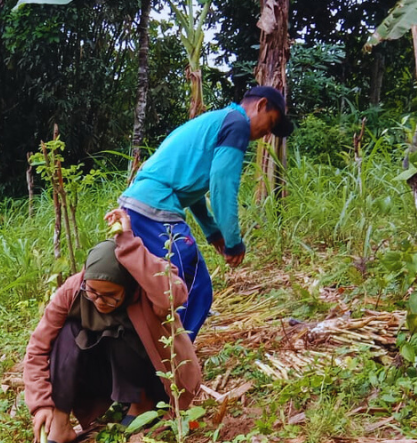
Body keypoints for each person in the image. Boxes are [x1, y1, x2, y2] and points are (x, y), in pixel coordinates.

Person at [24, 210, 203, 443]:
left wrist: (129, 244)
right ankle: (60, 424)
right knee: (66, 333)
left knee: (121, 331)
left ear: (128, 287)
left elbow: (173, 296)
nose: (99, 301)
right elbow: (38, 348)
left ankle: (141, 406)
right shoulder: (75, 290)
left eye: (110, 296)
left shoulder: (147, 289)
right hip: (106, 374)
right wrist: (41, 404)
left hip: (153, 377)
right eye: (93, 293)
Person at [118, 85, 294, 339]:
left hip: (139, 206)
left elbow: (191, 186)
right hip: (154, 208)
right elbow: (222, 187)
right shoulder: (237, 125)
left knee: (159, 285)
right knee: (191, 286)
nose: (267, 132)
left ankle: (158, 353)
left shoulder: (216, 120)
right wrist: (233, 243)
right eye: (271, 123)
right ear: (261, 105)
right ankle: (174, 358)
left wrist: (212, 231)